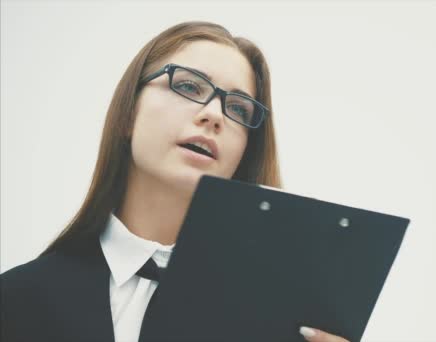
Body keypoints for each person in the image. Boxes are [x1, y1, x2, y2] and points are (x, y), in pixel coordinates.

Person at [0, 21, 349, 342]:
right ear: (128, 114)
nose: (213, 115)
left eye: (239, 109)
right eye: (188, 86)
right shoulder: (16, 300)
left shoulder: (284, 315)